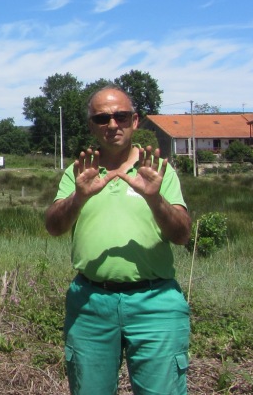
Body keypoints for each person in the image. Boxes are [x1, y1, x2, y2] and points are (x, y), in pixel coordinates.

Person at [45, 86, 192, 395]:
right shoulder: (79, 172)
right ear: (91, 125)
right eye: (102, 118)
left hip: (156, 304)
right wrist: (79, 197)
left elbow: (181, 235)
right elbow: (54, 226)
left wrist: (155, 199)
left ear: (134, 121)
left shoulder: (158, 170)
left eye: (120, 116)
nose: (112, 125)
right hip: (90, 304)